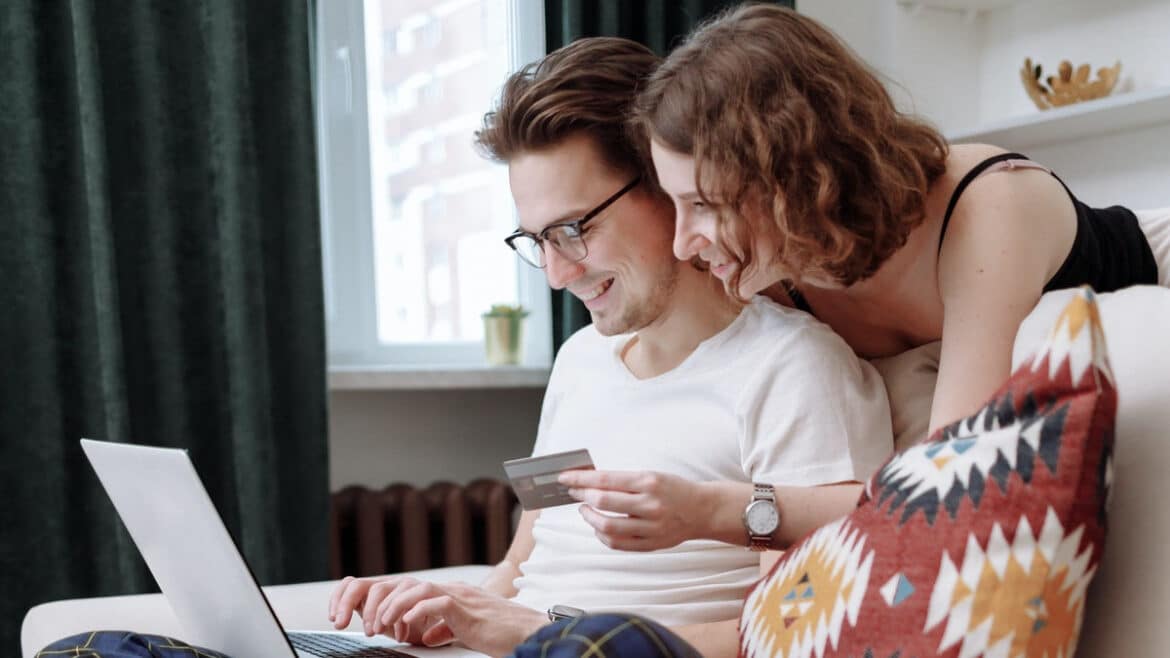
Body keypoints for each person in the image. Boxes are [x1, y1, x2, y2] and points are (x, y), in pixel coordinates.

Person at [326, 36, 893, 658]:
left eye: (574, 230)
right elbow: (522, 566)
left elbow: (789, 636)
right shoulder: (580, 359)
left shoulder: (794, 369)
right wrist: (448, 616)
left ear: (666, 185)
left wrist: (539, 633)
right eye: (537, 239)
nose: (556, 273)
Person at [559, 0, 1170, 559]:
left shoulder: (989, 211)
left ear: (793, 173)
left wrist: (716, 507)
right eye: (675, 203)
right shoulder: (767, 266)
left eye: (706, 204)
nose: (682, 241)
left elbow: (948, 484)